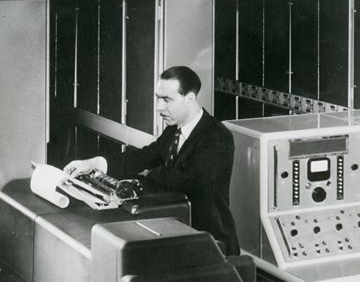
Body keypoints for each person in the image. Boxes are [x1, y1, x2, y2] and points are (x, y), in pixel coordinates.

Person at [64, 66, 239, 256]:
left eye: (167, 99)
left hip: (210, 242)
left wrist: (147, 176)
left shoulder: (217, 136)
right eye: (158, 98)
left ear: (189, 99)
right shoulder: (174, 129)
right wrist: (96, 163)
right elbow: (145, 156)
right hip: (177, 231)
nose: (159, 107)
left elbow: (188, 180)